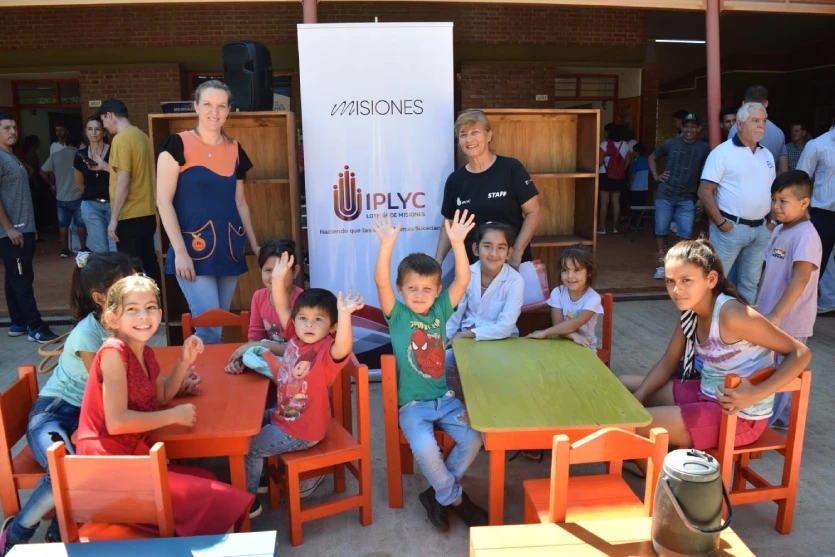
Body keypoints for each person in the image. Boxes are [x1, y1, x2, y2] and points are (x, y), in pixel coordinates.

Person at [74, 275, 252, 536]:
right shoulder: (113, 352)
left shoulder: (145, 352)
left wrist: (183, 361)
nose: (143, 315)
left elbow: (162, 396)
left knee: (209, 479)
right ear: (113, 319)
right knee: (217, 496)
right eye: (132, 309)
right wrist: (173, 416)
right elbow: (117, 422)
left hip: (134, 456)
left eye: (151, 307)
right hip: (109, 467)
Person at [0, 252, 139, 554]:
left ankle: (58, 529)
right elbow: (103, 388)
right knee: (67, 466)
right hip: (55, 413)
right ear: (101, 297)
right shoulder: (89, 333)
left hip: (88, 414)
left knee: (97, 464)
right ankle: (16, 533)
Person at [620, 239, 810, 455]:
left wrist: (756, 393)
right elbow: (668, 361)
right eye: (670, 281)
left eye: (686, 280)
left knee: (632, 427)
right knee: (622, 387)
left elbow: (800, 353)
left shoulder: (731, 315)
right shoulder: (690, 311)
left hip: (738, 416)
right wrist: (640, 397)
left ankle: (662, 481)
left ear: (711, 279)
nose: (676, 289)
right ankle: (649, 464)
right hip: (706, 393)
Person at [375, 210, 487, 530]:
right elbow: (381, 280)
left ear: (438, 291)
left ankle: (437, 495)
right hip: (413, 406)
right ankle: (456, 500)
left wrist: (458, 244)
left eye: (427, 288)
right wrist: (386, 246)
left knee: (473, 439)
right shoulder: (397, 316)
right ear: (401, 290)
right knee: (426, 449)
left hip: (444, 398)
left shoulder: (440, 308)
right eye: (412, 288)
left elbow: (463, 279)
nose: (420, 294)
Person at [237, 252, 362, 518]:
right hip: (284, 416)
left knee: (248, 448)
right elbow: (283, 308)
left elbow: (344, 346)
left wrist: (345, 315)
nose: (308, 324)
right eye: (304, 318)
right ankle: (255, 481)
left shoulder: (327, 350)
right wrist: (280, 278)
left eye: (318, 319)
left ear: (331, 327)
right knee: (241, 426)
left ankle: (246, 503)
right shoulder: (295, 335)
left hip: (302, 430)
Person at [157, 81, 259, 344]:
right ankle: (201, 381)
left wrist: (256, 247)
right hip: (192, 249)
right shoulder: (176, 144)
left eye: (221, 106)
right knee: (210, 328)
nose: (214, 112)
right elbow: (163, 202)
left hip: (229, 246)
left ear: (228, 110)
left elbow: (240, 203)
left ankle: (211, 380)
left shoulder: (236, 149)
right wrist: (179, 252)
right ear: (196, 106)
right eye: (208, 105)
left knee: (220, 324)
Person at [755, 171, 820, 428]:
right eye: (774, 200)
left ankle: (765, 422)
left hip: (789, 320)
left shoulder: (806, 235)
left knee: (782, 371)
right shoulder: (780, 229)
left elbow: (800, 278)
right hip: (771, 315)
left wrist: (775, 316)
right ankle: (782, 417)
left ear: (804, 203)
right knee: (772, 367)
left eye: (783, 201)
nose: (776, 206)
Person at [436, 110, 540, 269]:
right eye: (463, 135)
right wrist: (437, 261)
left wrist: (517, 251)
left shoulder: (511, 169)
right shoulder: (455, 180)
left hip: (512, 265)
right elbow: (449, 224)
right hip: (472, 269)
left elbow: (534, 211)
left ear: (489, 136)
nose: (469, 139)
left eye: (475, 132)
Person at [698, 103, 776, 304]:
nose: (761, 126)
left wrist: (772, 222)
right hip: (730, 228)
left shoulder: (766, 154)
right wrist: (721, 223)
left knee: (751, 283)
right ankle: (711, 326)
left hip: (760, 229)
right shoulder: (722, 152)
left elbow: (773, 192)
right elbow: (704, 191)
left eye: (764, 121)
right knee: (715, 280)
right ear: (740, 124)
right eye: (755, 121)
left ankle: (744, 327)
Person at [445, 222, 524, 399]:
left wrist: (465, 335)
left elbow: (504, 328)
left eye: (501, 248)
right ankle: (458, 408)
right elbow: (453, 316)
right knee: (446, 361)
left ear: (509, 252)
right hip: (464, 341)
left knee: (496, 379)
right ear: (475, 249)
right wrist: (445, 340)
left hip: (501, 342)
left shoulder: (515, 281)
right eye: (487, 246)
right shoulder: (465, 275)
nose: (493, 254)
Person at [0, 112, 58, 343]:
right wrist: (10, 229)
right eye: (6, 128)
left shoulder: (11, 157)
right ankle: (36, 327)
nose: (13, 131)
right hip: (11, 232)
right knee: (22, 279)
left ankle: (19, 323)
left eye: (14, 127)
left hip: (23, 228)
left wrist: (30, 227)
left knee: (14, 278)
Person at [94, 99, 161, 287]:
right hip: (147, 212)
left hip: (129, 214)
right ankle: (158, 305)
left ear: (110, 115)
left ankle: (138, 309)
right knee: (149, 262)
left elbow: (124, 180)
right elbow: (135, 172)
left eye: (103, 121)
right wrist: (106, 167)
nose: (104, 127)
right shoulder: (142, 136)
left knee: (130, 269)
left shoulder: (120, 139)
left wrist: (113, 218)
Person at [225, 238, 304, 370]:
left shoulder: (304, 301)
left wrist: (256, 347)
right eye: (268, 270)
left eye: (281, 270)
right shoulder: (259, 297)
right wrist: (244, 357)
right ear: (260, 271)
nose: (275, 276)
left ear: (295, 271)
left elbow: (301, 349)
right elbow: (255, 338)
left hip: (298, 366)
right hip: (268, 361)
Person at [649, 113, 710, 280]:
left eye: (692, 126)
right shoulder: (670, 143)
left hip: (687, 197)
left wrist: (702, 195)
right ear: (681, 128)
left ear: (698, 129)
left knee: (685, 235)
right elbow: (652, 157)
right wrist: (656, 175)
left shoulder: (704, 147)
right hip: (665, 194)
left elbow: (708, 171)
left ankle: (677, 266)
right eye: (686, 126)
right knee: (661, 231)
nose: (689, 129)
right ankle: (662, 266)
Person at [526, 244, 604, 352]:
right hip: (561, 343)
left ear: (589, 272)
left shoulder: (593, 298)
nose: (570, 276)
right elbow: (558, 325)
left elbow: (574, 323)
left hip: (585, 348)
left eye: (576, 270)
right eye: (565, 270)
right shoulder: (557, 292)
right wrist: (573, 336)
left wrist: (544, 333)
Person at [797, 117, 835, 278]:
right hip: (824, 215)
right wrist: (802, 215)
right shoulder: (817, 145)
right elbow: (800, 180)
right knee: (814, 268)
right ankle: (805, 303)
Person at [42, 133, 87, 256]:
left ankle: (64, 250)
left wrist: (52, 184)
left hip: (61, 196)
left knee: (63, 224)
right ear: (79, 144)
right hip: (77, 195)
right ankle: (83, 249)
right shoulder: (80, 156)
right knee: (81, 224)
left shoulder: (56, 155)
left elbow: (42, 171)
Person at [73, 116, 113, 253]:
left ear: (104, 132)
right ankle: (106, 275)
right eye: (90, 129)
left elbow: (122, 177)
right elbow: (79, 184)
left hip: (113, 203)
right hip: (91, 204)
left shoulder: (114, 150)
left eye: (97, 129)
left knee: (115, 247)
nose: (94, 133)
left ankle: (119, 275)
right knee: (100, 249)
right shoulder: (80, 155)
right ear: (85, 132)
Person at [728, 85, 788, 174]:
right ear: (766, 103)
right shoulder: (778, 132)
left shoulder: (737, 128)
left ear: (743, 103)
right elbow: (783, 170)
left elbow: (729, 164)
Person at [598, 123, 630, 235]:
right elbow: (626, 164)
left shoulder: (604, 144)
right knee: (616, 202)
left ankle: (602, 229)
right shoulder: (625, 144)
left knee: (604, 203)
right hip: (619, 177)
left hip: (604, 174)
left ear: (609, 132)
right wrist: (619, 171)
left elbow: (600, 161)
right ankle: (615, 228)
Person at [628, 143, 650, 208]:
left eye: (634, 151)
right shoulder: (646, 162)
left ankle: (634, 218)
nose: (633, 153)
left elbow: (633, 176)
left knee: (634, 206)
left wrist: (629, 185)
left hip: (636, 188)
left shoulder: (636, 163)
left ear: (637, 152)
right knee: (642, 205)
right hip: (644, 187)